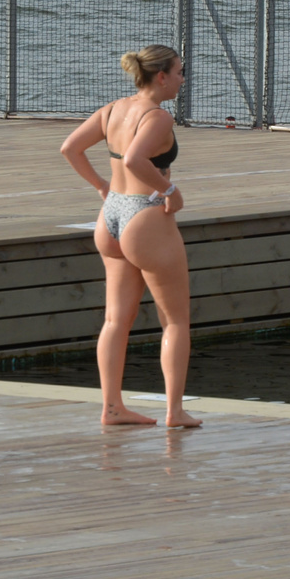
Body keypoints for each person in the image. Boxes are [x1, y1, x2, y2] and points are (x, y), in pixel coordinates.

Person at [60, 44, 201, 430]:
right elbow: (138, 160)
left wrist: (102, 187)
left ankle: (112, 407)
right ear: (161, 76)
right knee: (175, 321)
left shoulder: (113, 109)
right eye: (179, 72)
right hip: (145, 215)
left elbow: (70, 147)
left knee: (115, 319)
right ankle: (174, 411)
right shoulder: (158, 117)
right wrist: (171, 192)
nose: (182, 79)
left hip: (111, 216)